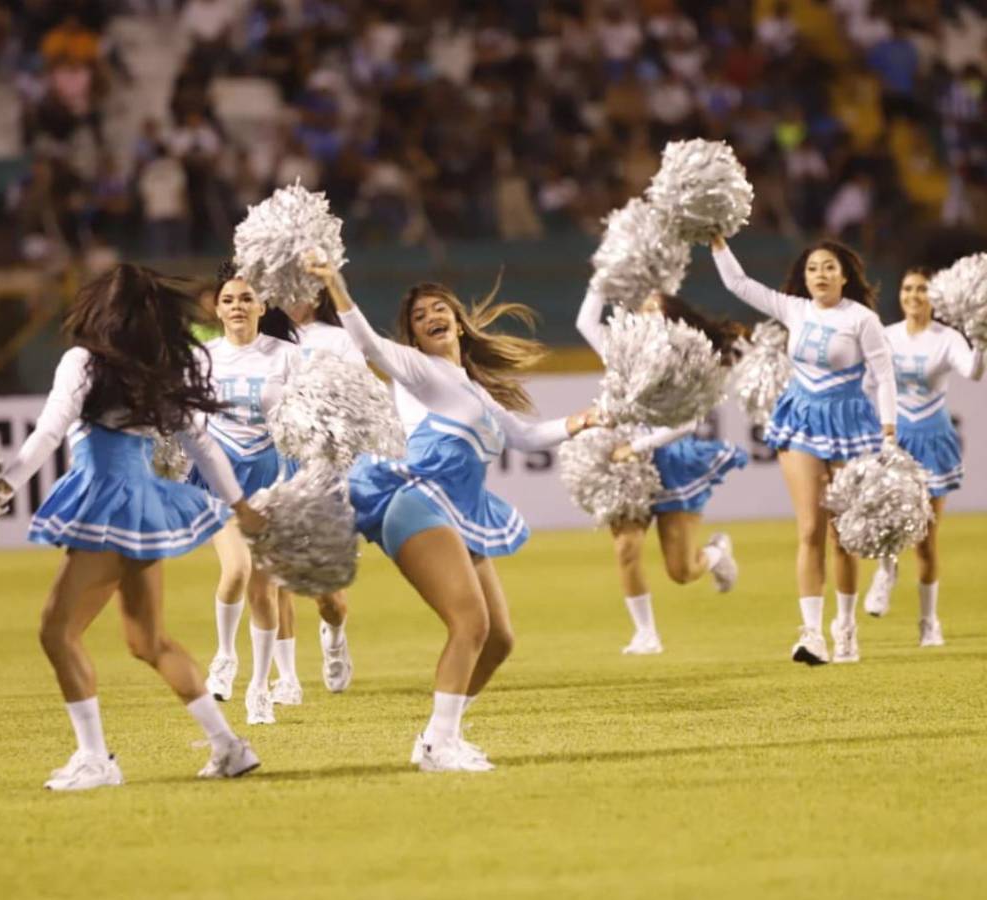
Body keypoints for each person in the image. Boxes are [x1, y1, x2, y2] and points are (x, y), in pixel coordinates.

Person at [308, 259, 596, 772]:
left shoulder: (475, 390)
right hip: (420, 500)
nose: (432, 316)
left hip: (458, 510)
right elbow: (371, 346)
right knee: (469, 623)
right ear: (415, 338)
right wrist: (334, 283)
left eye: (441, 308)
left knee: (499, 640)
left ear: (459, 322)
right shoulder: (422, 371)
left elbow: (524, 436)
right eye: (420, 316)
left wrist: (581, 421)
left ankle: (440, 736)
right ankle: (439, 747)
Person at [0, 264, 264, 790]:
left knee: (57, 631)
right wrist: (239, 505)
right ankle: (230, 748)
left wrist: (2, 488)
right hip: (143, 505)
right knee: (147, 640)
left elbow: (49, 431)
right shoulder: (160, 369)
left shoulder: (84, 362)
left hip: (104, 504)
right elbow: (202, 446)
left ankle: (96, 759)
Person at [711, 236, 897, 665]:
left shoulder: (862, 319)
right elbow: (738, 284)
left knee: (843, 535)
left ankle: (845, 626)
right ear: (805, 277)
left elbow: (884, 377)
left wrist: (889, 432)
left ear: (844, 275)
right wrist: (717, 241)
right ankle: (812, 634)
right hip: (800, 419)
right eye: (813, 268)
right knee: (811, 527)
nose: (820, 275)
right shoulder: (794, 309)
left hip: (850, 422)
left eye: (829, 267)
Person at [576, 287, 746, 654]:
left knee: (682, 571)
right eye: (643, 307)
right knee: (627, 547)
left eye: (657, 308)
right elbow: (584, 321)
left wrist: (636, 446)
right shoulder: (620, 352)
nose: (647, 313)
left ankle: (716, 554)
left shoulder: (687, 362)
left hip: (669, 461)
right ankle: (646, 634)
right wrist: (604, 275)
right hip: (626, 466)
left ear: (674, 319)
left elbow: (687, 424)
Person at [193, 263, 300, 726]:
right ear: (217, 309)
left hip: (272, 480)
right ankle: (223, 657)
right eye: (229, 300)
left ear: (262, 305)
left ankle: (259, 687)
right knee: (235, 570)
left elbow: (309, 415)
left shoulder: (286, 356)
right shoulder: (202, 358)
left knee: (265, 588)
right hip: (221, 481)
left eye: (245, 298)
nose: (237, 306)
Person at [863, 267, 984, 643]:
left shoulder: (946, 338)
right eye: (907, 288)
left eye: (921, 290)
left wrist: (979, 337)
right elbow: (870, 381)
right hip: (895, 436)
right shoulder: (887, 335)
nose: (913, 296)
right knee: (887, 520)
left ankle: (929, 621)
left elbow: (973, 372)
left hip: (933, 438)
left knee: (926, 539)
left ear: (934, 297)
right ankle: (886, 570)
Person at [270, 288, 362, 704]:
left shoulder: (336, 339)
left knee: (327, 595)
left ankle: (335, 631)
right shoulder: (262, 340)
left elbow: (360, 398)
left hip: (320, 468)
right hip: (268, 466)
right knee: (273, 573)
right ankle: (284, 677)